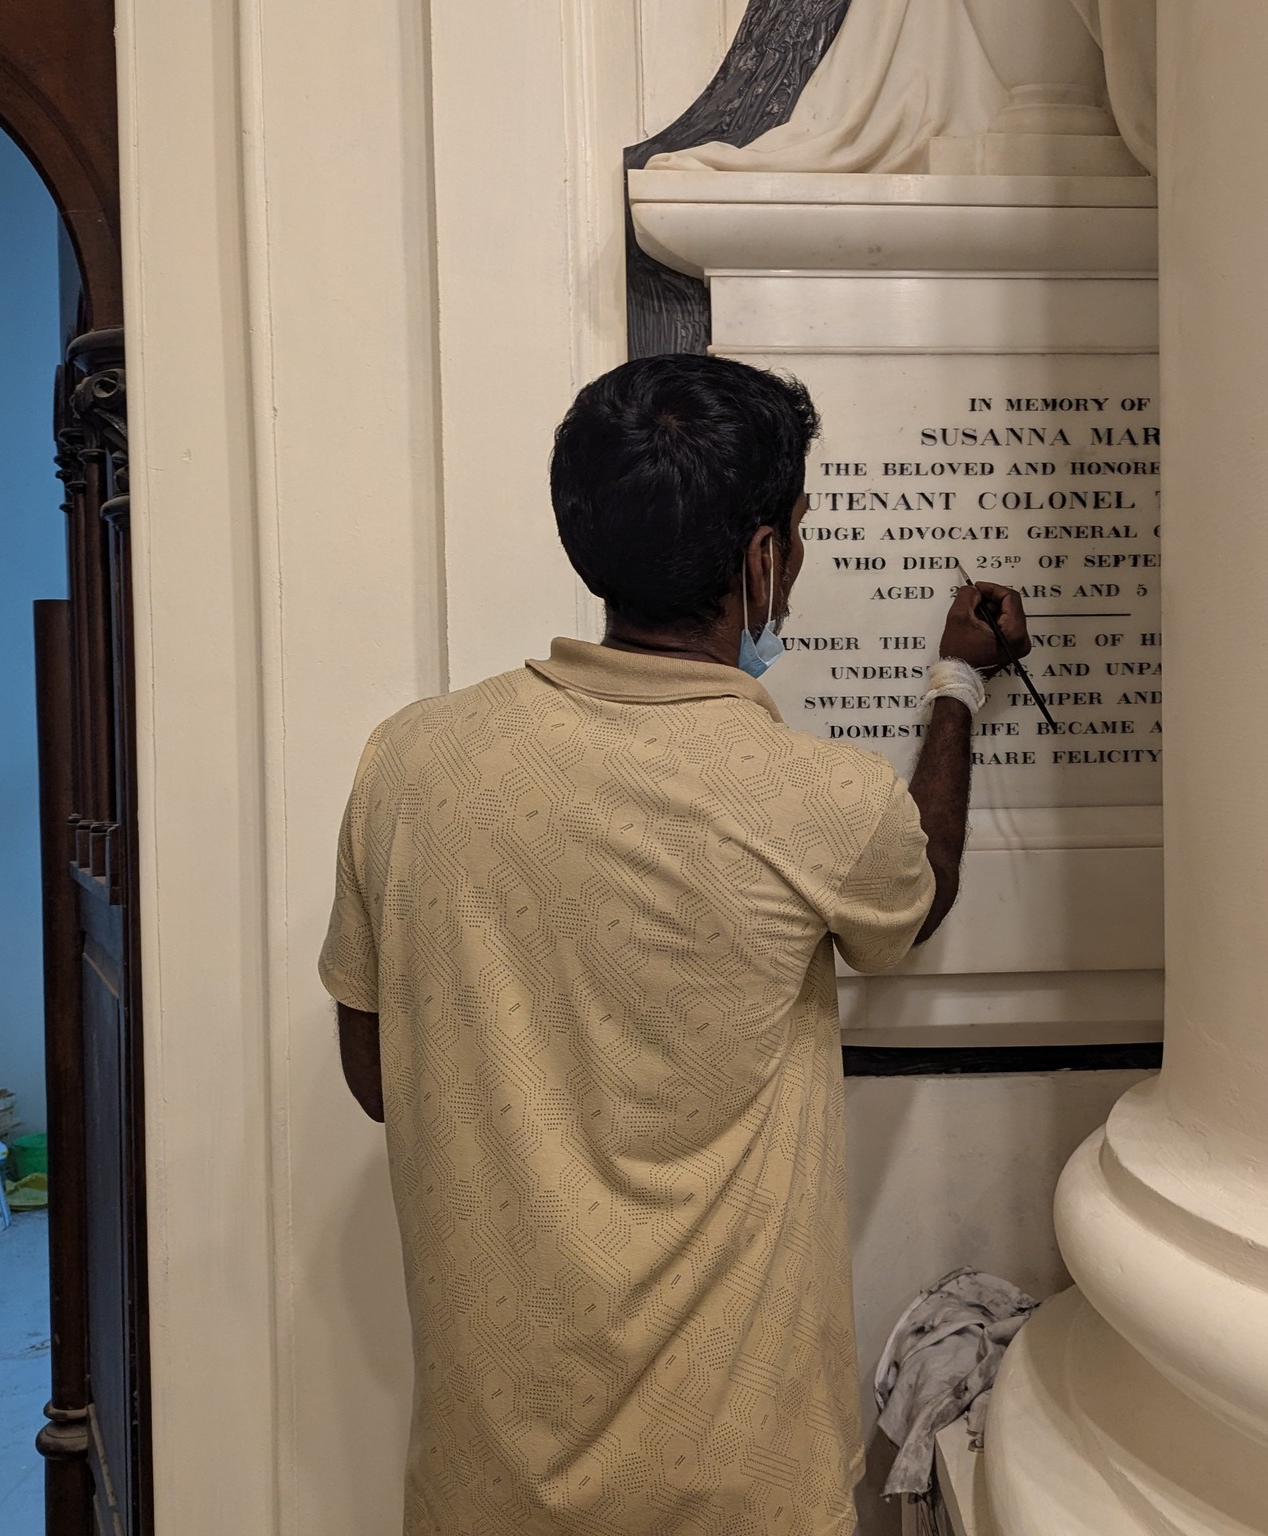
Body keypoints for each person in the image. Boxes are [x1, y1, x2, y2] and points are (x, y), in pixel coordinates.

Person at [319, 354, 1030, 1536]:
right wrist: (956, 679)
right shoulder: (819, 801)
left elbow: (375, 1077)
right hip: (736, 1490)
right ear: (762, 561)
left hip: (486, 1485)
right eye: (796, 535)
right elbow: (921, 886)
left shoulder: (407, 764)